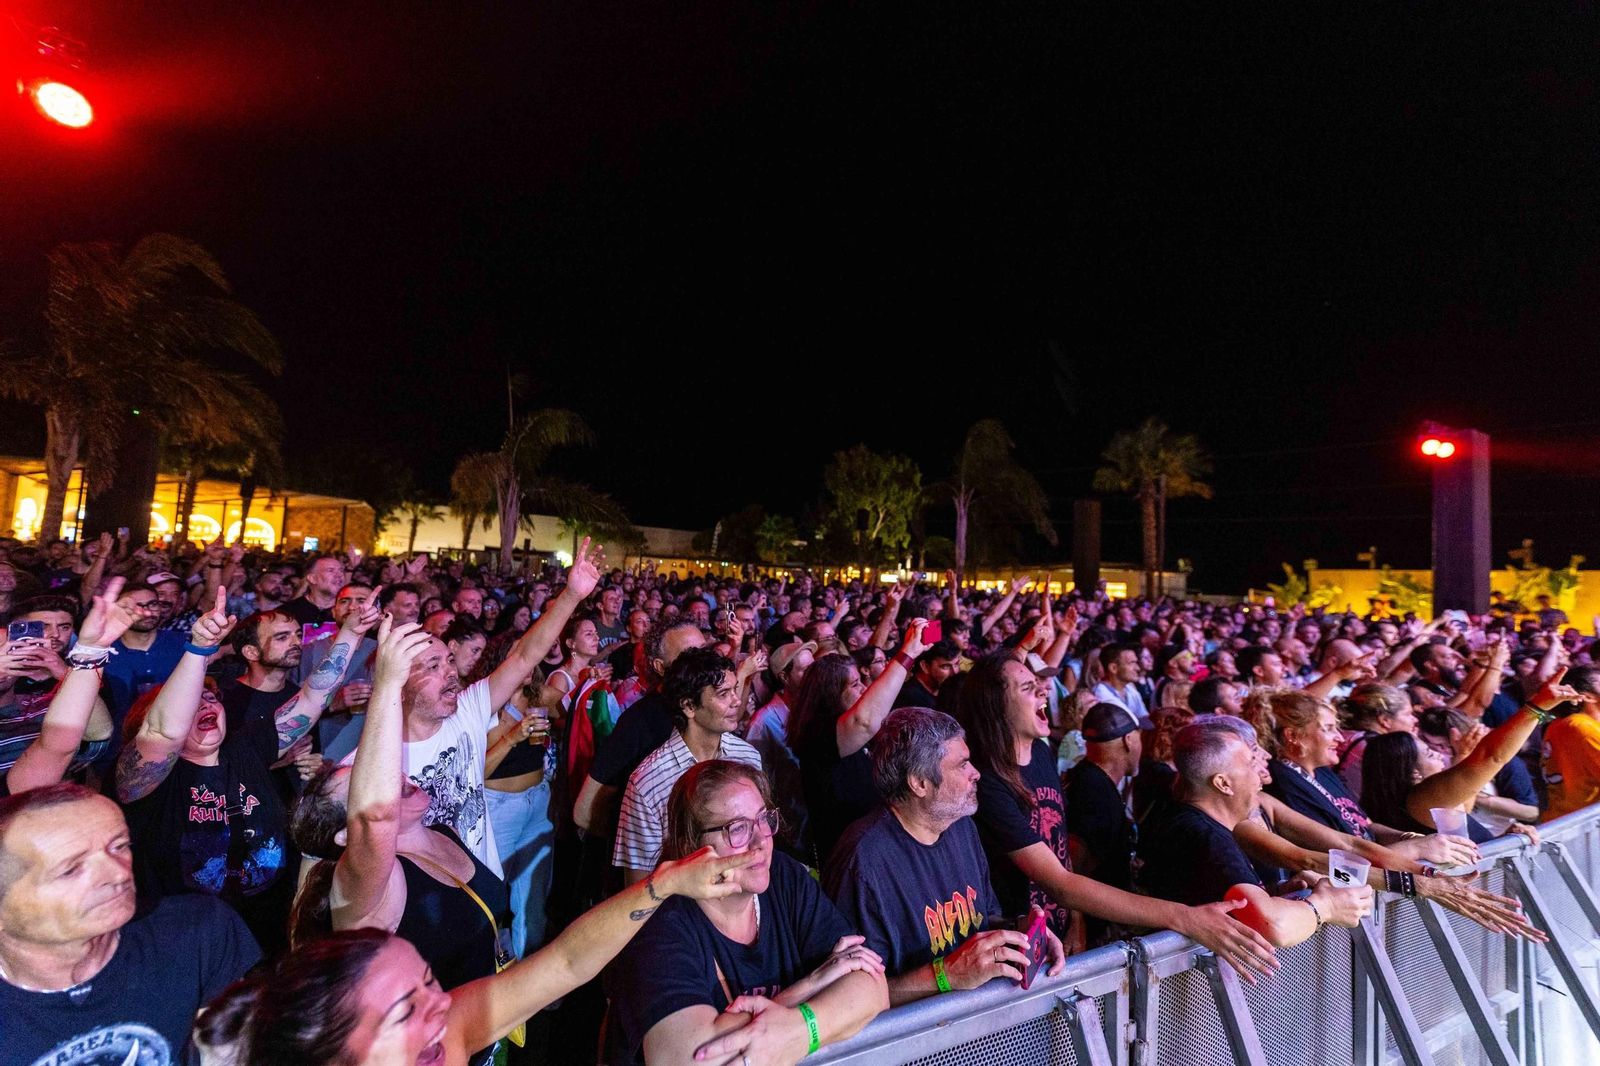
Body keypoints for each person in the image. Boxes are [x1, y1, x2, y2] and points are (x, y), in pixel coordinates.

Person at [196, 842, 759, 1066]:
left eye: (429, 983)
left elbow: (565, 963)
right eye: (406, 1010)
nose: (442, 1005)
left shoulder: (446, 1041)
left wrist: (663, 885)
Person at [289, 617, 514, 1061]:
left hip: (484, 1027)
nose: (391, 778)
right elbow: (374, 817)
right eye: (368, 785)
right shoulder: (371, 889)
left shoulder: (445, 834)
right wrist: (389, 686)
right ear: (345, 836)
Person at [114, 587, 375, 953]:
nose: (206, 705)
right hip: (185, 942)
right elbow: (163, 732)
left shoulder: (246, 748)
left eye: (210, 698)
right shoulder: (147, 780)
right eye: (191, 703)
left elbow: (313, 697)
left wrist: (350, 632)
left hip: (263, 931)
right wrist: (199, 649)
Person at [606, 761, 889, 1065]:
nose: (761, 841)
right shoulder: (661, 923)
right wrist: (809, 987)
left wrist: (798, 1029)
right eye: (737, 829)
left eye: (763, 819)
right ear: (691, 846)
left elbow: (874, 985)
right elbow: (691, 1058)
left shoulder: (784, 877)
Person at [1, 783, 261, 1066]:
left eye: (120, 846)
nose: (118, 874)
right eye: (71, 869)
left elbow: (229, 1054)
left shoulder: (195, 932)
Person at [822, 707, 1066, 1005]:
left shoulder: (961, 826)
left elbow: (982, 920)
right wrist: (945, 975)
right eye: (962, 764)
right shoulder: (863, 861)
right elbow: (847, 999)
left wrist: (1019, 933)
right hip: (915, 1033)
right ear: (919, 783)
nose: (976, 773)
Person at [1136, 721, 1372, 948]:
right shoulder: (1205, 835)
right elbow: (1273, 926)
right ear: (1223, 784)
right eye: (1250, 763)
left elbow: (1224, 900)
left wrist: (1277, 893)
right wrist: (1326, 906)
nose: (1260, 774)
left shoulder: (1193, 823)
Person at [1361, 670, 1575, 843]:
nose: (1439, 755)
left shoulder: (1408, 804)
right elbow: (1492, 756)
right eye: (1430, 752)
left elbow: (1466, 844)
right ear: (1413, 772)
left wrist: (1502, 840)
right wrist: (1537, 706)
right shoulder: (1423, 799)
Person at [613, 647, 764, 883]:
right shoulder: (648, 782)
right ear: (689, 706)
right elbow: (638, 881)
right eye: (723, 694)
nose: (736, 701)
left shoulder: (747, 757)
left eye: (735, 690)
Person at [794, 620, 929, 866]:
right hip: (847, 858)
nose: (864, 689)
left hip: (872, 848)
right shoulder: (818, 733)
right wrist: (907, 653)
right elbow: (864, 722)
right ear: (831, 692)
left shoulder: (838, 726)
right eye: (855, 684)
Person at [3, 578, 131, 795]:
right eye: (43, 627)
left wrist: (66, 673)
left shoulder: (87, 674)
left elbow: (100, 738)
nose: (55, 634)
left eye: (64, 627)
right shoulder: (7, 682)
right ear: (16, 631)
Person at [745, 639, 818, 855]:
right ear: (785, 677)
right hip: (792, 832)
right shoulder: (764, 722)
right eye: (805, 670)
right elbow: (755, 780)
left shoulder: (817, 711)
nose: (814, 676)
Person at [1063, 704, 1141, 901]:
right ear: (1128, 740)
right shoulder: (1094, 793)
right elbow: (1075, 862)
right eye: (1140, 735)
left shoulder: (1087, 778)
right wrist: (1077, 914)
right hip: (1094, 914)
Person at [1336, 681, 1418, 799]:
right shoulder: (1372, 748)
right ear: (1385, 720)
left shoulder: (1355, 736)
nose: (1415, 720)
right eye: (1408, 714)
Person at [1542, 664, 1600, 821]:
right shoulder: (1582, 727)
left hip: (1569, 822)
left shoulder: (1562, 724)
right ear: (1587, 696)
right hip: (1582, 826)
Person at [281, 555, 349, 641]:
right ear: (312, 578)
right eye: (330, 570)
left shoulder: (350, 612)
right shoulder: (288, 613)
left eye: (341, 570)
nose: (339, 575)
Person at [891, 637, 960, 709]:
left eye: (956, 664)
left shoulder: (948, 691)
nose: (954, 672)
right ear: (925, 666)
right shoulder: (910, 700)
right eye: (946, 666)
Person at [1092, 643, 1150, 726]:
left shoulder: (1131, 691)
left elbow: (1145, 718)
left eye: (1136, 663)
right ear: (1113, 668)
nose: (1137, 668)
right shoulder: (1100, 695)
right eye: (1131, 663)